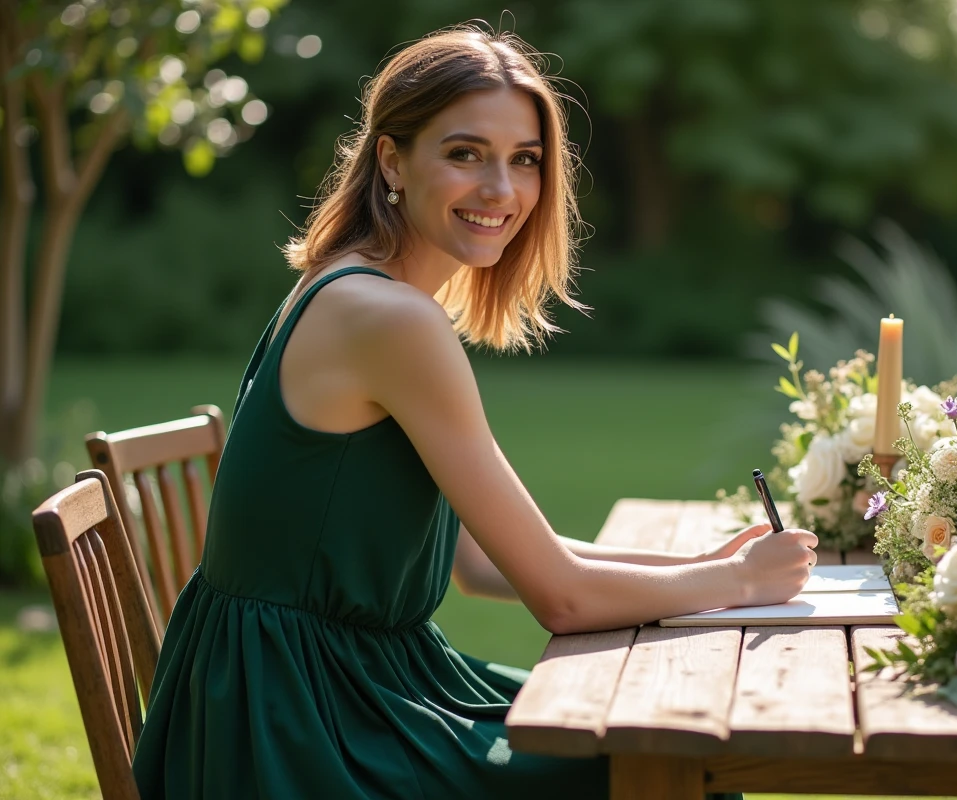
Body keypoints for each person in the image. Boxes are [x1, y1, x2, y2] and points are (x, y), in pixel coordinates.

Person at [131, 24, 818, 800]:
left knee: (650, 738)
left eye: (524, 160)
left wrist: (711, 571)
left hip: (315, 690)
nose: (502, 190)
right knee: (672, 763)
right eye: (465, 154)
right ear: (392, 159)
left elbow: (484, 563)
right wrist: (737, 582)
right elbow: (557, 597)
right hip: (301, 728)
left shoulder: (350, 288)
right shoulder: (387, 319)